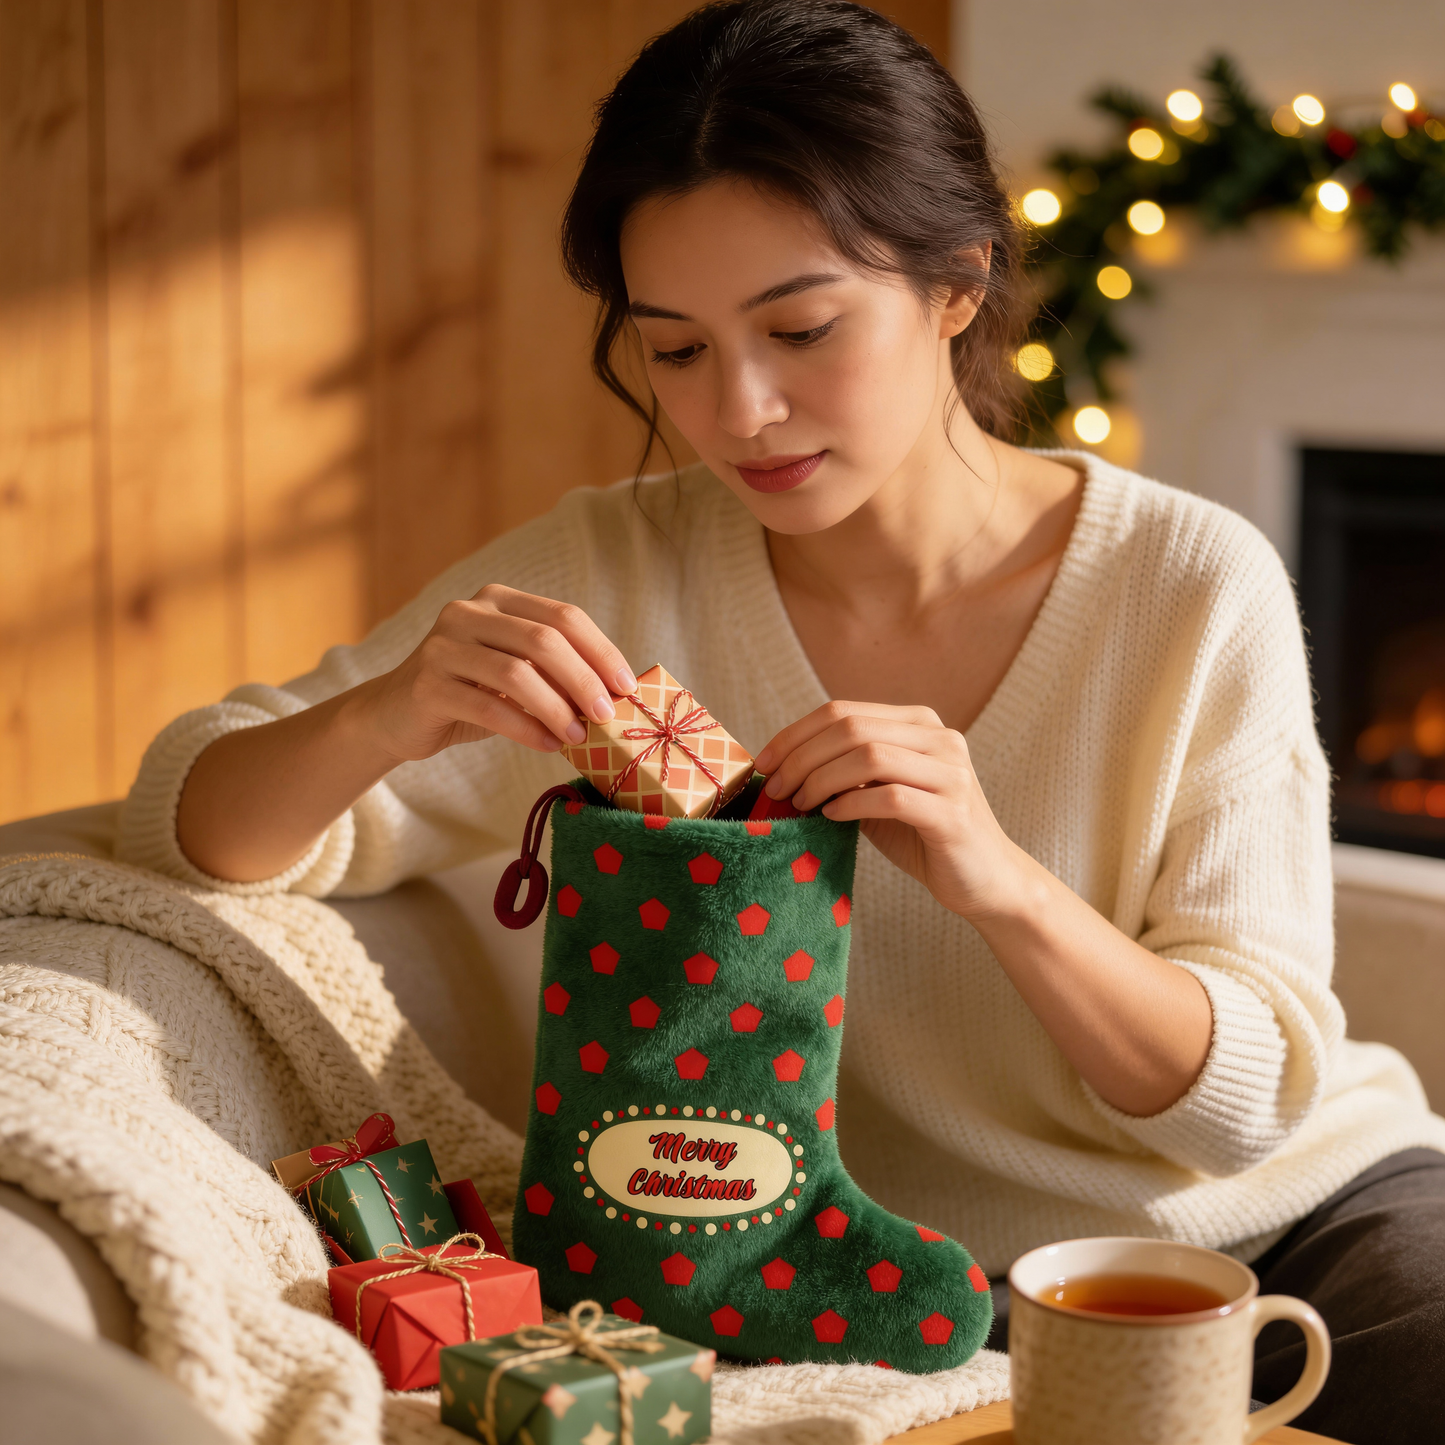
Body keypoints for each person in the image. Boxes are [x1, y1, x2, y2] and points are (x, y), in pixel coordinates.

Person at [118, 3, 1444, 1439]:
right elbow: (194, 822)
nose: (742, 410)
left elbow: (1236, 1107)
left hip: (1301, 1228)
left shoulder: (1189, 584)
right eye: (675, 351)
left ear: (957, 284)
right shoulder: (621, 572)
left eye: (801, 328)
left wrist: (995, 880)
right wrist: (385, 715)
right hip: (909, 1284)